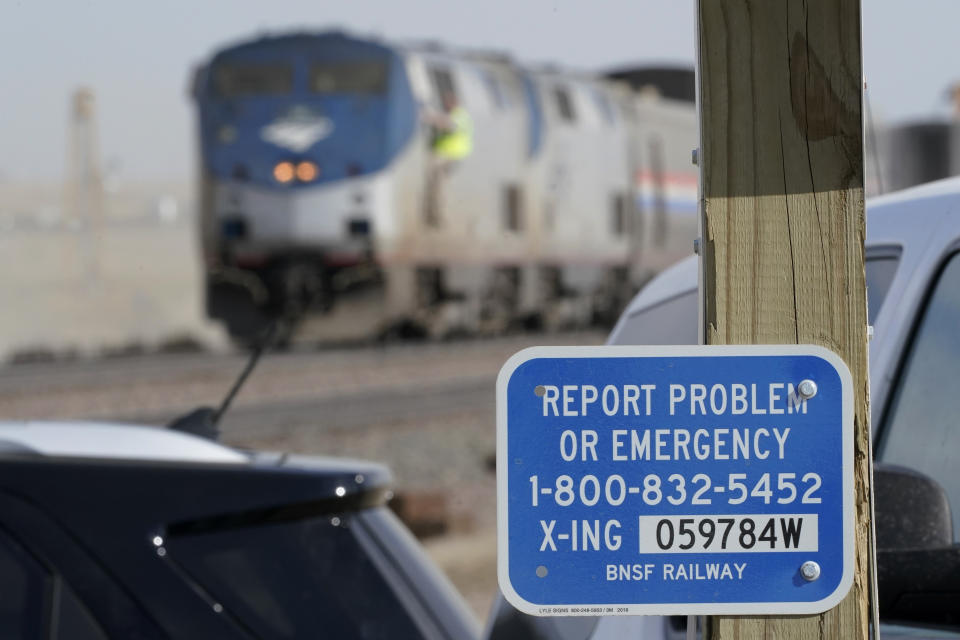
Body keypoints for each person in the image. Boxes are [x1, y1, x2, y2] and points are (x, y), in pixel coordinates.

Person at [423, 91, 472, 225]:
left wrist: (431, 118)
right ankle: (434, 215)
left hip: (449, 156)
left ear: (454, 103)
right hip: (444, 155)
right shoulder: (453, 115)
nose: (446, 104)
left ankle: (438, 218)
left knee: (440, 186)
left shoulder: (460, 115)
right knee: (436, 185)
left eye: (448, 102)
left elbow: (449, 125)